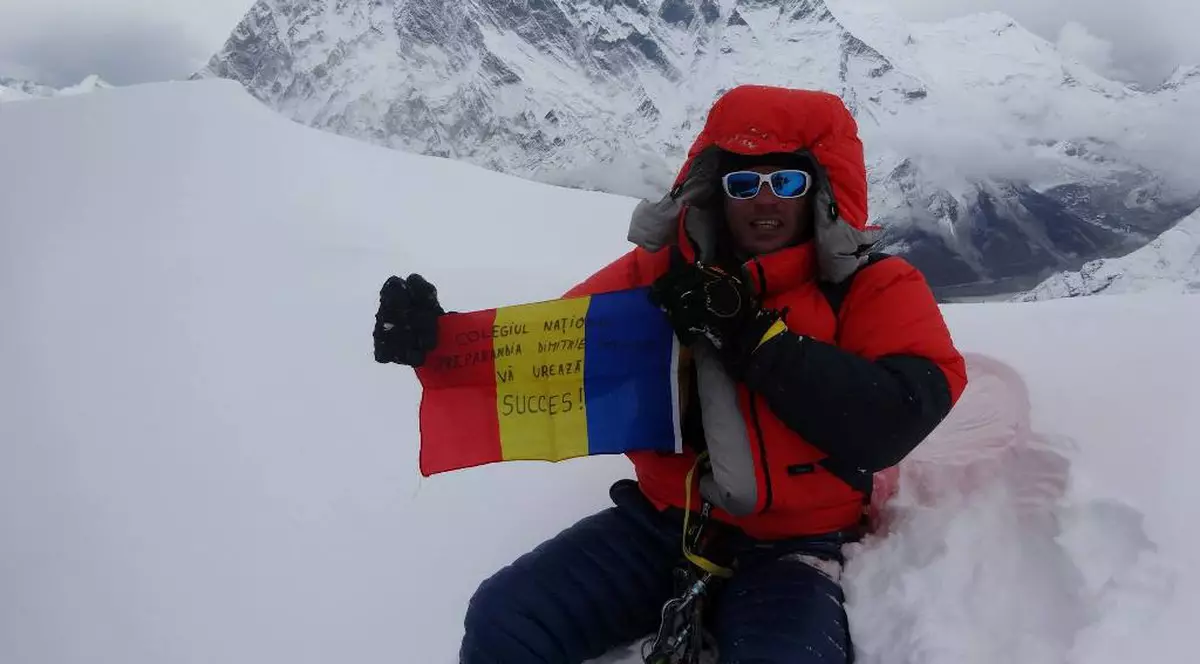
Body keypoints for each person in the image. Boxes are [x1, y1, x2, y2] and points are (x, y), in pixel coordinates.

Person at [374, 84, 968, 664]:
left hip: (799, 546)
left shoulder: (875, 287)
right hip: (661, 526)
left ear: (821, 193)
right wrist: (438, 346)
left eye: (786, 181)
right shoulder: (659, 275)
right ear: (716, 191)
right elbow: (555, 356)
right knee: (506, 616)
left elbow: (895, 417)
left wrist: (755, 340)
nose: (765, 199)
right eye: (744, 182)